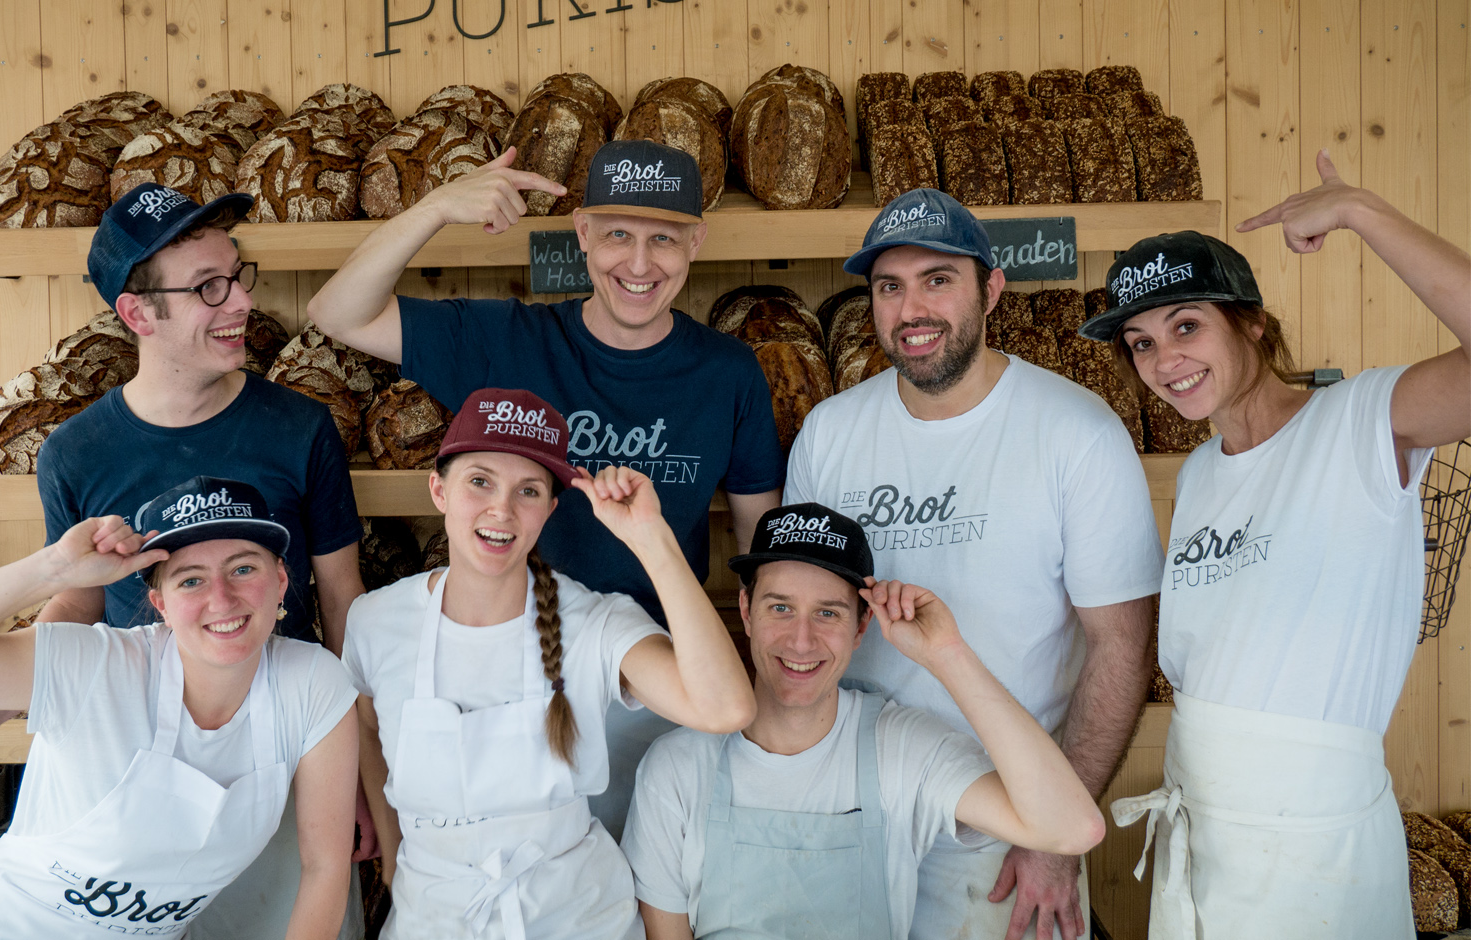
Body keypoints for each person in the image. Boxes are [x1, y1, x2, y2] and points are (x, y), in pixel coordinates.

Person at [0, 183, 371, 939]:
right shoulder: (75, 452)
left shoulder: (299, 427)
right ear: (137, 314)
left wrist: (360, 769)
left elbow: (343, 598)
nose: (241, 302)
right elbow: (77, 607)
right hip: (128, 759)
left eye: (238, 276)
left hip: (278, 752)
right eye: (208, 287)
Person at [309, 139, 784, 836]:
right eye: (618, 235)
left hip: (661, 679)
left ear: (696, 244)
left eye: (663, 238)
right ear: (582, 233)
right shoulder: (509, 340)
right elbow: (337, 312)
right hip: (511, 676)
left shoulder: (729, 373)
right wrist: (435, 208)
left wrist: (769, 708)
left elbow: (759, 554)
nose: (640, 264)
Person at [1092, 151, 1471, 938]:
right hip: (1205, 836)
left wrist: (1362, 211)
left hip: (1317, 852)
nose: (1165, 361)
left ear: (1253, 322)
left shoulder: (1358, 423)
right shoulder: (1200, 473)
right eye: (1141, 342)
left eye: (1186, 325)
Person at [784, 188, 1165, 940]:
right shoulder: (830, 434)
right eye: (889, 287)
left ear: (991, 289)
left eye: (938, 280)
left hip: (1008, 829)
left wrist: (1052, 838)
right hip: (855, 812)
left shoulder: (1076, 432)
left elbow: (1122, 647)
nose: (912, 309)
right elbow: (799, 624)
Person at [0, 477, 359, 940]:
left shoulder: (312, 684)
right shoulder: (97, 665)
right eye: (190, 580)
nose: (222, 599)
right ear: (160, 605)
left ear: (281, 581)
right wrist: (51, 569)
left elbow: (324, 868)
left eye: (243, 569)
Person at [341, 388, 757, 939]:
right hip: (431, 915)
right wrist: (396, 861)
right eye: (480, 481)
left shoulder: (595, 622)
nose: (502, 510)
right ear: (439, 490)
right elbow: (367, 726)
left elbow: (726, 708)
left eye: (529, 491)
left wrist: (652, 539)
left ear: (551, 509)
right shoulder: (375, 620)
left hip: (578, 918)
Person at [621, 502, 1106, 939]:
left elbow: (1072, 828)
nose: (801, 641)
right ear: (746, 611)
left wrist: (948, 655)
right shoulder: (676, 769)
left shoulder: (902, 749)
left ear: (861, 627)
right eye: (780, 608)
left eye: (828, 613)